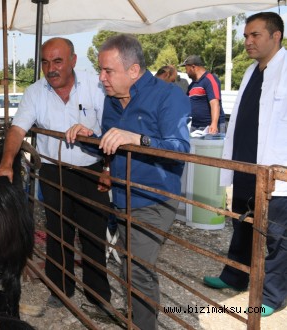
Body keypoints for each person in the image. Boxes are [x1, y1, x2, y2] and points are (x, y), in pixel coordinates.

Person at [66, 34, 190, 330]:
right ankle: (138, 316)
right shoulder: (113, 101)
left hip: (154, 198)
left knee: (137, 269)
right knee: (130, 265)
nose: (101, 78)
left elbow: (180, 148)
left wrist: (139, 139)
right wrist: (87, 137)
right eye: (101, 70)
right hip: (122, 197)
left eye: (108, 71)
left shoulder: (168, 96)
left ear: (133, 71)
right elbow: (111, 145)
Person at [0, 37, 112, 314]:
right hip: (53, 172)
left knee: (93, 234)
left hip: (91, 171)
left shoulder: (96, 86)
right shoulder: (35, 92)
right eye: (45, 62)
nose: (51, 68)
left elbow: (112, 128)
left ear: (73, 61)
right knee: (58, 233)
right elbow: (18, 129)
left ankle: (98, 298)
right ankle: (60, 290)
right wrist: (7, 162)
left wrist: (108, 168)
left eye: (57, 61)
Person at [204, 11, 287, 317]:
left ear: (275, 36)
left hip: (276, 171)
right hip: (246, 166)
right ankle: (235, 275)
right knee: (243, 224)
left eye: (255, 35)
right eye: (245, 36)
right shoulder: (252, 71)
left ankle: (273, 294)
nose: (248, 41)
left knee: (278, 236)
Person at [181, 55, 226, 134]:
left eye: (186, 68)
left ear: (193, 67)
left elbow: (215, 103)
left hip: (210, 127)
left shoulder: (210, 80)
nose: (186, 71)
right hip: (195, 126)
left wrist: (214, 124)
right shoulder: (192, 85)